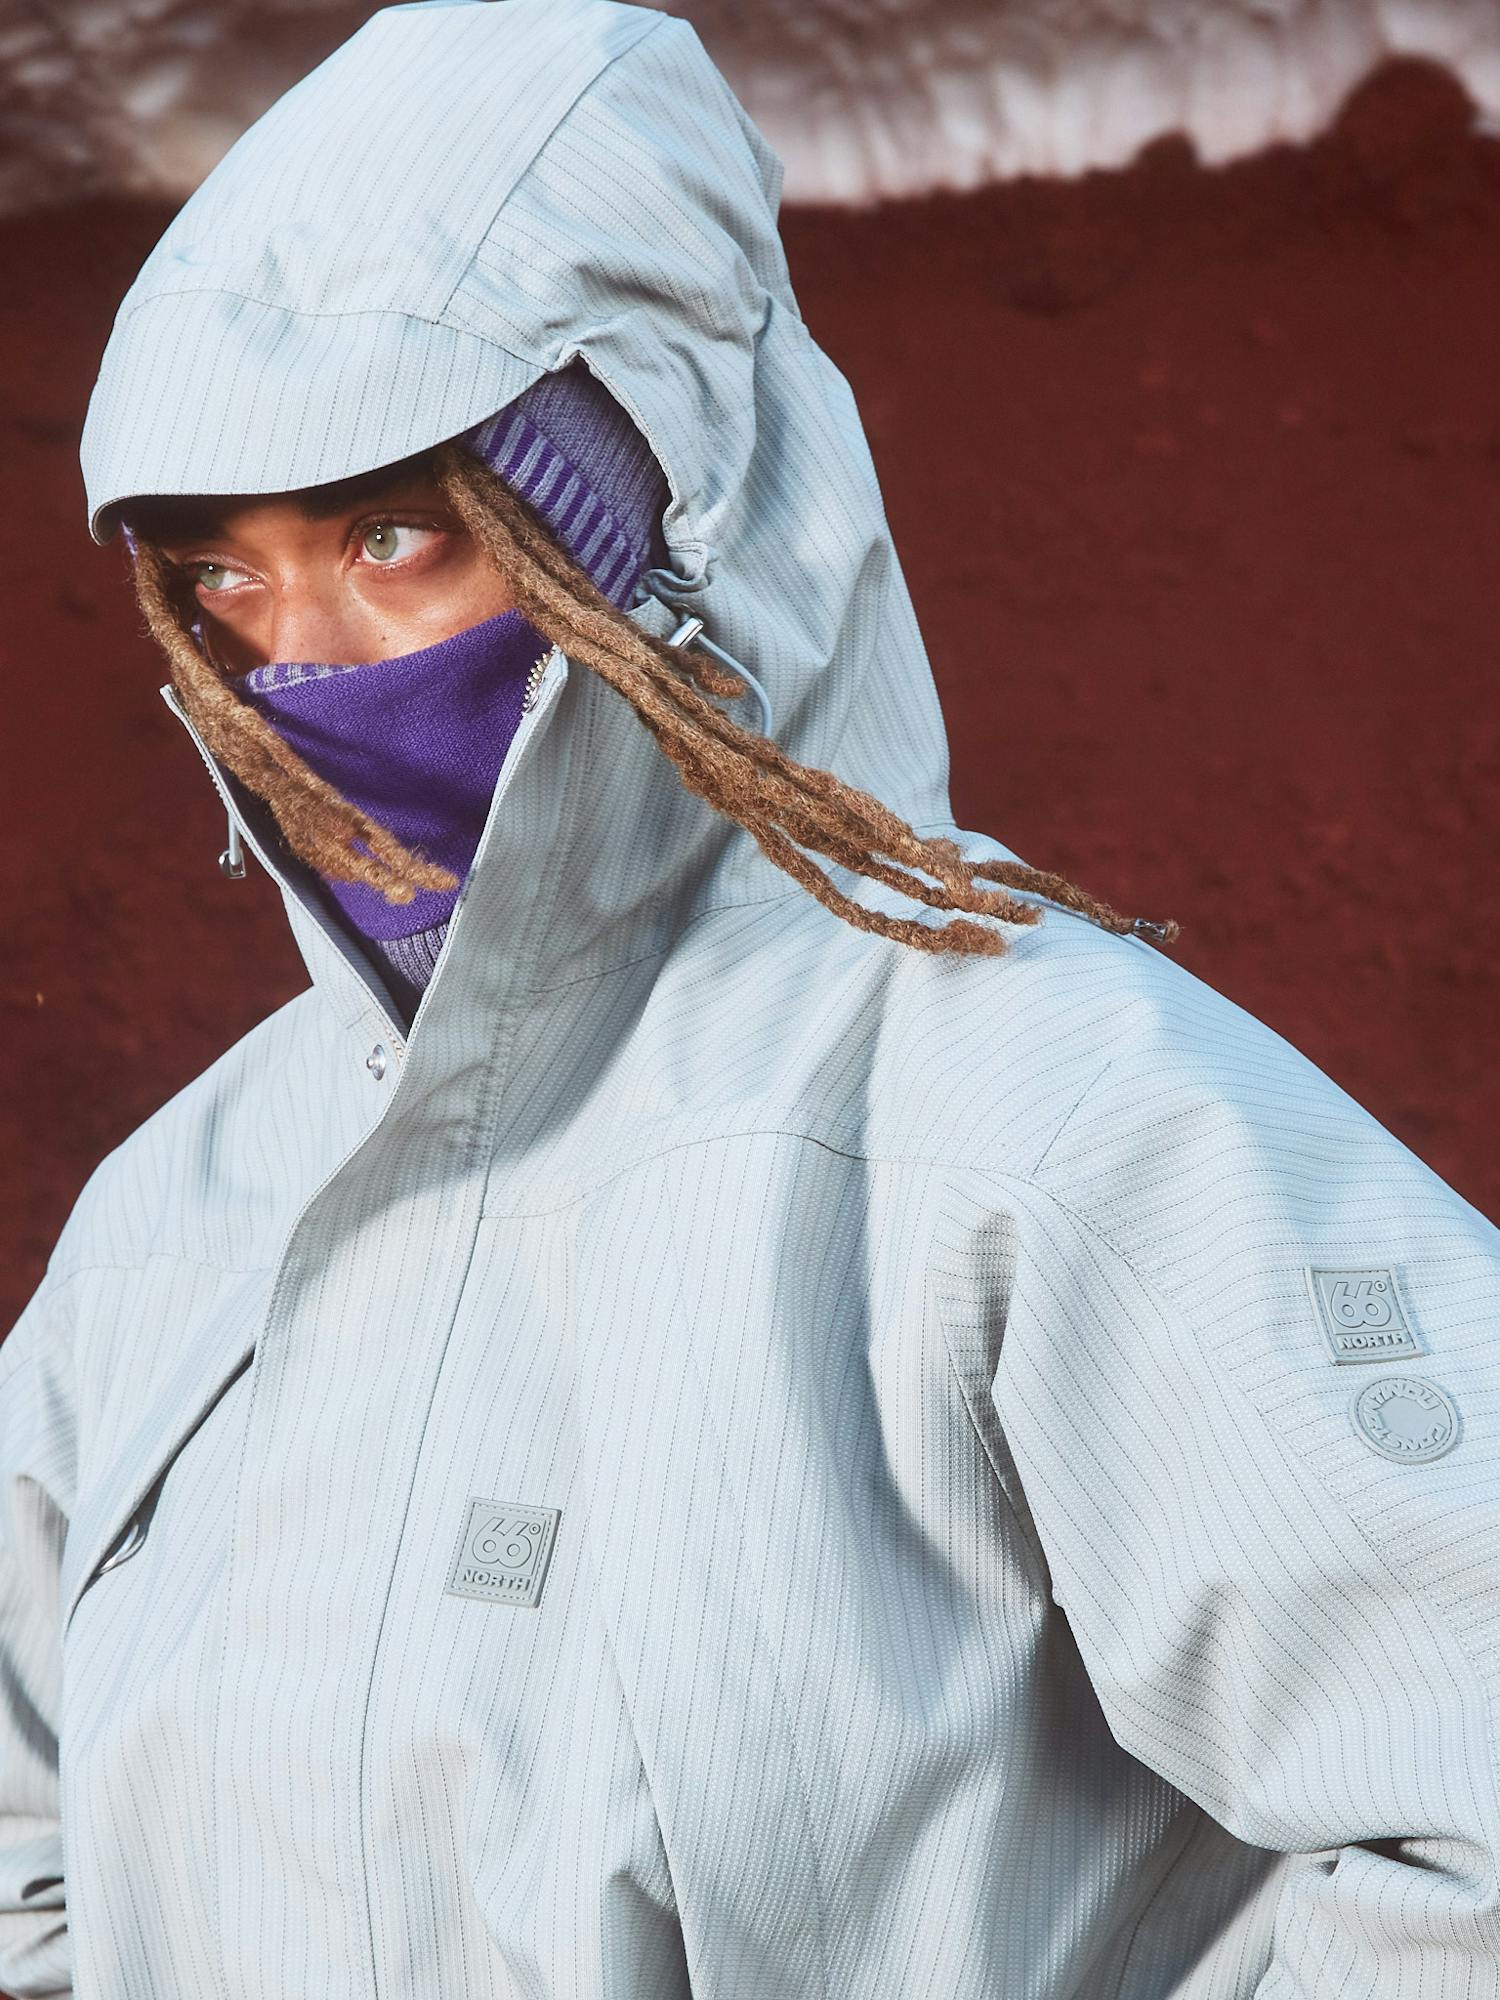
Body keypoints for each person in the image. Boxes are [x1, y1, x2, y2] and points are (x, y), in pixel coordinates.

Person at [2, 2, 1496, 1995]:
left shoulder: (1036, 1117)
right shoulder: (177, 1211)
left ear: (657, 512)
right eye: (223, 579)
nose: (310, 666)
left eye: (397, 536)